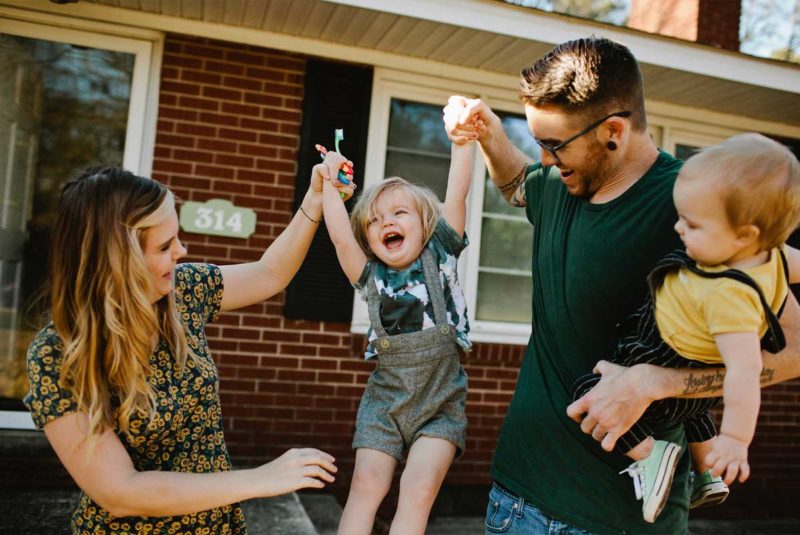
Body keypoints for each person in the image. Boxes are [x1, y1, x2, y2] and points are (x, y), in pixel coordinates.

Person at [444, 36, 800, 534]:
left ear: (613, 130)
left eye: (555, 144)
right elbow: (517, 185)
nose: (546, 159)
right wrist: (489, 134)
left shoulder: (695, 206)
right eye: (539, 143)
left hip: (614, 522)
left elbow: (796, 349)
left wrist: (658, 382)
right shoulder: (558, 184)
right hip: (514, 500)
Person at [23, 163, 352, 534]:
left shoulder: (181, 292)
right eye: (165, 246)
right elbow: (119, 491)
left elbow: (269, 274)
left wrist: (315, 201)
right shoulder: (56, 355)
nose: (181, 251)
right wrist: (263, 478)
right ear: (119, 258)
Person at [571, 133, 800, 523]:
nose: (679, 228)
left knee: (585, 391)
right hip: (687, 372)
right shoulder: (773, 256)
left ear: (745, 234)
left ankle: (650, 455)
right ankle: (706, 470)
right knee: (693, 411)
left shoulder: (729, 298)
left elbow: (744, 372)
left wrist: (737, 438)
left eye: (693, 225)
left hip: (661, 353)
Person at [317, 143, 474, 535]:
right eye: (374, 220)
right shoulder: (370, 277)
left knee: (418, 488)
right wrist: (328, 186)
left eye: (399, 213)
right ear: (368, 239)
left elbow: (457, 193)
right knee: (366, 485)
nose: (386, 222)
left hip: (440, 404)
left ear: (425, 223)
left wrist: (462, 142)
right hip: (385, 404)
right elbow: (338, 237)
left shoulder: (442, 253)